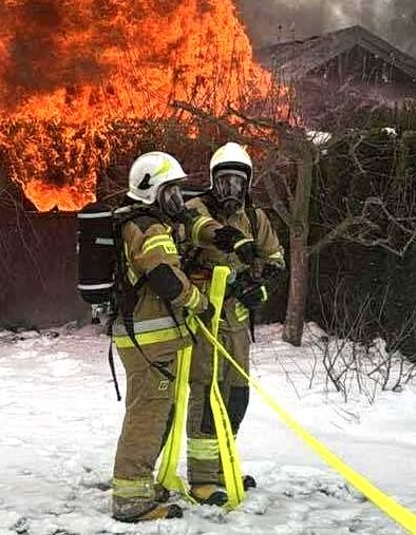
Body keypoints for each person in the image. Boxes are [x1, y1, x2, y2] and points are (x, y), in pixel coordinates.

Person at [109, 151, 256, 522]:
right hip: (148, 340)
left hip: (149, 339)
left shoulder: (145, 221)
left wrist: (224, 236)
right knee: (147, 415)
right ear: (151, 190)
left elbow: (192, 223)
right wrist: (199, 301)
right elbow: (165, 277)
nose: (176, 200)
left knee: (157, 413)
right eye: (170, 192)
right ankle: (131, 499)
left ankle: (142, 486)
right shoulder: (149, 228)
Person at [183, 142, 285, 505]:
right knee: (206, 394)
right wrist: (232, 242)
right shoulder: (195, 209)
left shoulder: (255, 217)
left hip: (237, 324)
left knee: (236, 396)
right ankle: (203, 479)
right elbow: (201, 229)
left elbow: (274, 257)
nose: (230, 190)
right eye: (223, 181)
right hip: (204, 320)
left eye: (236, 182)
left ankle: (225, 463)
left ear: (247, 183)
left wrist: (258, 286)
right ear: (212, 182)